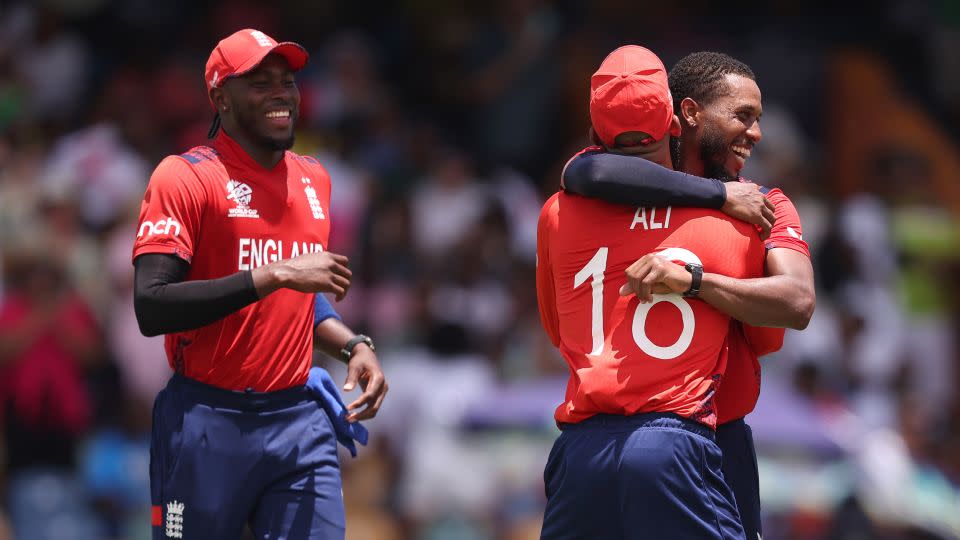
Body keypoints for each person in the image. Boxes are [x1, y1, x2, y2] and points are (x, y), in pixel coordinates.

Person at [131, 29, 387, 540]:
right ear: (219, 98)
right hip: (205, 421)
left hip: (297, 420)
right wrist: (277, 274)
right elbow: (152, 306)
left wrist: (351, 343)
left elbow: (296, 297)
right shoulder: (183, 178)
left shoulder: (315, 178)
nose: (281, 93)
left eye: (287, 81)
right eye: (260, 83)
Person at [561, 51, 815, 540]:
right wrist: (717, 198)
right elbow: (584, 173)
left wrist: (697, 282)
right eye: (743, 116)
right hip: (680, 444)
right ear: (691, 113)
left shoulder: (764, 205)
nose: (756, 133)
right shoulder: (616, 192)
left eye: (758, 119)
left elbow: (799, 300)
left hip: (713, 440)